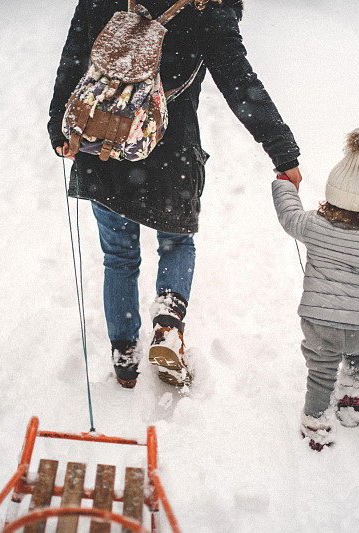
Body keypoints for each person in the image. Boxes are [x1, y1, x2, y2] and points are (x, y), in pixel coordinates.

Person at [48, 0, 302, 388]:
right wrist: (281, 150)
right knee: (176, 243)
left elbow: (74, 57)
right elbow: (240, 83)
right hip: (170, 151)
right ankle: (167, 324)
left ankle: (124, 354)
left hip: (105, 145)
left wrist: (59, 126)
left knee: (118, 256)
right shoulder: (207, 7)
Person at [272, 128, 359, 451]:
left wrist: (284, 184)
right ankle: (351, 400)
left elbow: (289, 215)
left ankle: (317, 423)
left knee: (321, 374)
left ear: (332, 193)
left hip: (320, 324)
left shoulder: (314, 226)